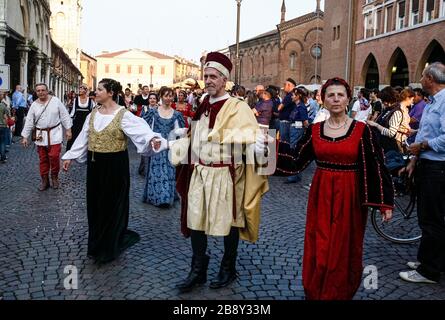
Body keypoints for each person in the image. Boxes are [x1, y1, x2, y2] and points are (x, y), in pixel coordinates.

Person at [276, 77, 394, 300]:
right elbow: (296, 158)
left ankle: (337, 293)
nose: (336, 99)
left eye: (340, 95)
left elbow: (376, 164)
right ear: (324, 100)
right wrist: (269, 148)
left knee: (344, 247)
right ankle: (317, 289)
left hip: (350, 197)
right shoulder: (316, 129)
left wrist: (384, 202)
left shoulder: (362, 130)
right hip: (321, 195)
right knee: (319, 243)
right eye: (331, 95)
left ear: (348, 99)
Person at [172, 52, 269, 293]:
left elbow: (253, 137)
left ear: (224, 79)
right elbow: (194, 137)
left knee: (231, 222)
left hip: (226, 174)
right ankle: (198, 269)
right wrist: (175, 146)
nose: (208, 80)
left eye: (213, 76)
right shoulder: (203, 104)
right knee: (195, 220)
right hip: (200, 172)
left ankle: (228, 267)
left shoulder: (238, 107)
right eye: (206, 76)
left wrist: (226, 138)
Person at [61, 78, 167, 265]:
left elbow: (140, 130)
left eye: (100, 89)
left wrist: (151, 138)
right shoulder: (92, 114)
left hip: (115, 165)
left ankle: (109, 245)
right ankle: (96, 244)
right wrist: (70, 155)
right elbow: (83, 138)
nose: (96, 92)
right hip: (95, 166)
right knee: (95, 204)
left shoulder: (123, 114)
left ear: (110, 92)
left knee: (112, 204)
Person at [400, 62, 445, 284]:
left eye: (423, 76)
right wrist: (414, 159)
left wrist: (423, 147)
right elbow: (426, 132)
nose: (421, 80)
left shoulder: (444, 102)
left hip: (438, 169)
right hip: (426, 164)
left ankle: (429, 271)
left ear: (430, 79)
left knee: (432, 219)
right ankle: (432, 260)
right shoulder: (432, 103)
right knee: (428, 217)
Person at [21, 83, 73, 190]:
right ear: (36, 92)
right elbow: (29, 121)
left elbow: (64, 115)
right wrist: (25, 136)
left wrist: (68, 129)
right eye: (38, 91)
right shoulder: (34, 105)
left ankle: (54, 177)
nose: (41, 92)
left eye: (43, 90)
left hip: (55, 134)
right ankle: (45, 180)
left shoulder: (56, 101)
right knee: (43, 159)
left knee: (54, 157)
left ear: (47, 90)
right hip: (41, 135)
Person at [142, 87, 185, 208]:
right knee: (157, 171)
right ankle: (158, 196)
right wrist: (151, 139)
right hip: (157, 145)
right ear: (161, 96)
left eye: (171, 96)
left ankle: (166, 196)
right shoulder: (154, 112)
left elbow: (178, 132)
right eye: (166, 95)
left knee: (169, 171)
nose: (168, 98)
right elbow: (146, 127)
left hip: (170, 146)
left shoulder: (176, 114)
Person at [66, 85, 95, 151]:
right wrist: (69, 126)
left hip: (86, 123)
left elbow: (94, 113)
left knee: (86, 138)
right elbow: (72, 113)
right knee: (73, 138)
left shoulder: (91, 101)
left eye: (82, 89)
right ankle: (70, 152)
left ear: (85, 91)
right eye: (80, 89)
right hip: (77, 123)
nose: (80, 90)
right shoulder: (76, 100)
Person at [0, 92, 10, 163]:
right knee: (2, 142)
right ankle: (3, 157)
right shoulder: (3, 105)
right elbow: (8, 114)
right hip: (2, 126)